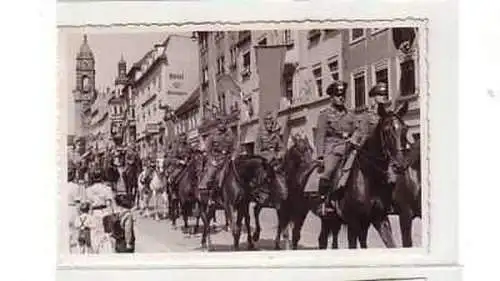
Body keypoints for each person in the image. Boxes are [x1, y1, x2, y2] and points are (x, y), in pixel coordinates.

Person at [315, 81, 357, 213]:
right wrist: (320, 156)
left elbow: (357, 129)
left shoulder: (350, 114)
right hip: (332, 147)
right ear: (332, 97)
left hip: (349, 146)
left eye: (343, 95)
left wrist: (354, 138)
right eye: (338, 95)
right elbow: (320, 136)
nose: (341, 97)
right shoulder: (325, 114)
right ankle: (323, 202)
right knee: (329, 170)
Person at [198, 117, 236, 205]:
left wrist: (234, 155)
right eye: (220, 124)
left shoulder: (230, 135)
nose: (222, 125)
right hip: (216, 159)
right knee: (211, 175)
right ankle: (210, 196)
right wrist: (212, 160)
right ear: (217, 125)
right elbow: (208, 150)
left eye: (224, 123)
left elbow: (235, 147)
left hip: (228, 159)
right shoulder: (212, 136)